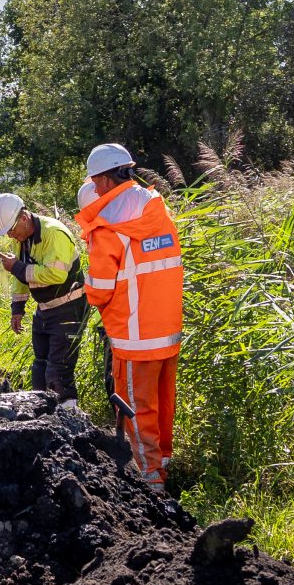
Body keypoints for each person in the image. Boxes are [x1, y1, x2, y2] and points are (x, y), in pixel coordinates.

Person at [75, 141, 182, 486]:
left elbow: (100, 290)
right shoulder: (157, 211)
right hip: (166, 330)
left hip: (134, 335)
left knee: (136, 408)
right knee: (162, 403)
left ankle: (149, 481)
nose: (94, 188)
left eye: (94, 182)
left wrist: (90, 288)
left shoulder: (108, 226)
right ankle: (162, 464)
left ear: (104, 180)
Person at [0, 191, 85, 401]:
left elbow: (55, 275)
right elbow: (22, 275)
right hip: (45, 309)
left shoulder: (53, 233)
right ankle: (43, 418)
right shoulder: (22, 237)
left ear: (23, 218)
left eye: (10, 230)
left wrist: (17, 267)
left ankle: (69, 419)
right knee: (39, 368)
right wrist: (17, 308)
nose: (10, 236)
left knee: (58, 372)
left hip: (68, 309)